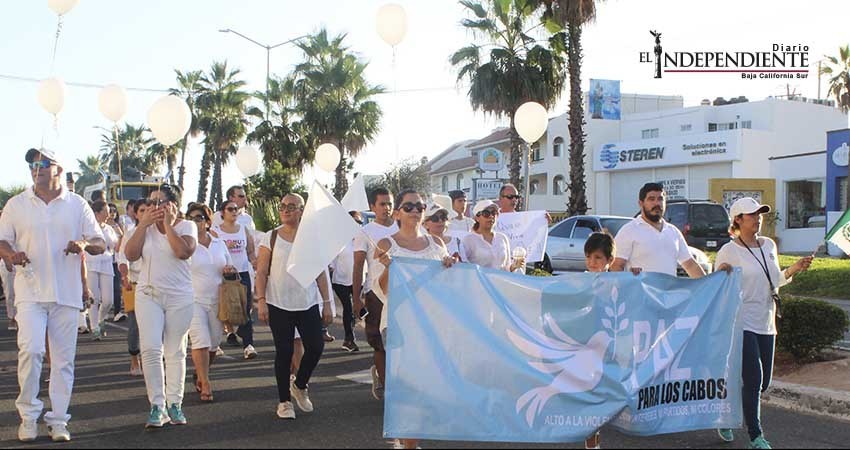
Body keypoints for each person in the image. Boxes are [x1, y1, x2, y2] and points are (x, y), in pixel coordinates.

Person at [0, 148, 106, 443]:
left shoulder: (77, 204)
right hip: (30, 291)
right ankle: (29, 415)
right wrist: (11, 253)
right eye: (33, 164)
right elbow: (1, 241)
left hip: (67, 293)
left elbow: (99, 241)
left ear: (58, 168)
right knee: (31, 351)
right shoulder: (17, 204)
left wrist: (83, 244)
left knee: (63, 361)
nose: (37, 168)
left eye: (43, 163)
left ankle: (58, 419)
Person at [714, 198, 813, 449]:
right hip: (741, 321)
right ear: (738, 219)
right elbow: (717, 286)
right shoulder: (729, 251)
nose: (758, 218)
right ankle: (756, 436)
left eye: (760, 214)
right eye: (752, 215)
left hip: (766, 320)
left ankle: (726, 412)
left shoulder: (769, 245)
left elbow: (775, 279)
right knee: (754, 378)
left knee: (763, 383)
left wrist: (795, 269)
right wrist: (721, 272)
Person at [373, 189, 457, 450]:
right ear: (397, 212)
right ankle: (409, 443)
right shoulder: (387, 245)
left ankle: (406, 437)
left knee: (424, 385)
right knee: (408, 384)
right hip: (398, 323)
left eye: (419, 206)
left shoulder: (437, 244)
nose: (415, 211)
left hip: (429, 324)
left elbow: (446, 288)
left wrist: (449, 268)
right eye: (408, 207)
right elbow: (382, 290)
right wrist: (388, 267)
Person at [124, 184, 197, 428]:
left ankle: (175, 403)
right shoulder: (142, 228)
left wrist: (167, 224)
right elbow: (131, 254)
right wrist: (144, 224)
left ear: (171, 205)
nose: (154, 207)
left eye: (159, 202)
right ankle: (157, 405)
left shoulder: (187, 226)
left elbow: (183, 252)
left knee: (175, 351)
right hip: (148, 294)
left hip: (180, 297)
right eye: (151, 202)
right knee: (151, 349)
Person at [255, 194, 332, 420]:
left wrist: (327, 303)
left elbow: (320, 272)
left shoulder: (311, 239)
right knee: (285, 352)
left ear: (301, 211)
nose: (286, 210)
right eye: (283, 207)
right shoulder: (271, 237)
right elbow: (261, 271)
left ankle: (299, 384)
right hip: (278, 302)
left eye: (292, 207)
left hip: (307, 302)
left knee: (316, 347)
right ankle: (284, 402)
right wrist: (261, 301)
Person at [352, 187, 398, 401]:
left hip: (400, 294)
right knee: (380, 343)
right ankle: (387, 387)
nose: (387, 208)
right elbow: (358, 265)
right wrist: (356, 297)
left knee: (399, 342)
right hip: (376, 295)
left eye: (389, 203)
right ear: (372, 207)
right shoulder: (365, 232)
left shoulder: (402, 228)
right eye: (382, 204)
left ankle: (395, 381)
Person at [187, 203, 235, 402]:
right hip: (193, 300)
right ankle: (205, 383)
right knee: (201, 340)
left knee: (214, 344)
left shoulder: (218, 244)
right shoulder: (186, 245)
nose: (194, 222)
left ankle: (200, 373)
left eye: (198, 218)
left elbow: (229, 265)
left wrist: (229, 271)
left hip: (217, 300)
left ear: (207, 222)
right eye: (190, 218)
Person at [610, 182, 706, 278]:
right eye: (651, 199)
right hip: (640, 292)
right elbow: (616, 266)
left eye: (660, 199)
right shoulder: (629, 231)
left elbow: (690, 265)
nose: (657, 203)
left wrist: (709, 285)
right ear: (641, 203)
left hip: (669, 292)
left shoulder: (673, 232)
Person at [212, 199, 258, 360]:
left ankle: (248, 345)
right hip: (223, 275)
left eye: (236, 209)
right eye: (230, 209)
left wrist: (256, 264)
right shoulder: (215, 231)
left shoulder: (243, 229)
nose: (234, 212)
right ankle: (215, 344)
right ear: (222, 212)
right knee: (222, 309)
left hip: (242, 273)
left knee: (245, 308)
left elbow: (250, 251)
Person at [117, 199, 149, 377]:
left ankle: (150, 358)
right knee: (135, 326)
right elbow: (123, 257)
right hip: (135, 283)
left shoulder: (158, 232)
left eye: (148, 210)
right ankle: (134, 357)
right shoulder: (130, 232)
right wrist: (125, 275)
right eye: (142, 210)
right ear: (136, 214)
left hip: (156, 284)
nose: (145, 213)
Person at [330, 211, 364, 353]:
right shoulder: (338, 240)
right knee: (348, 308)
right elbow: (331, 263)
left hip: (359, 281)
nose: (357, 225)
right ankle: (348, 340)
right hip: (341, 281)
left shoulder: (363, 238)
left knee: (359, 310)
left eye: (359, 222)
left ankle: (352, 329)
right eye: (354, 222)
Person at [85, 201, 120, 341]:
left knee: (108, 300)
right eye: (106, 211)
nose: (109, 214)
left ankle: (101, 319)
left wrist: (118, 229)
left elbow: (116, 246)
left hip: (106, 264)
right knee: (94, 298)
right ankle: (95, 328)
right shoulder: (88, 227)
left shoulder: (109, 229)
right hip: (91, 263)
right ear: (97, 213)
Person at [462, 200, 524, 272]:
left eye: (494, 213)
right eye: (486, 213)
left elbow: (506, 268)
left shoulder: (502, 238)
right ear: (477, 218)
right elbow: (463, 267)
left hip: (501, 282)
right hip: (480, 282)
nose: (491, 216)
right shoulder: (468, 240)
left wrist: (514, 266)